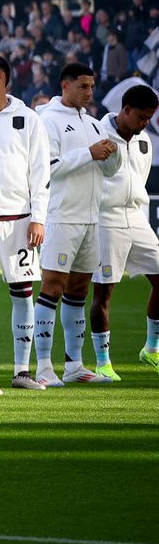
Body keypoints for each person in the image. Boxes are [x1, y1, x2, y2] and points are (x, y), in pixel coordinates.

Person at [34, 64, 120, 386]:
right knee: (53, 287)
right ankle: (44, 366)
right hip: (61, 216)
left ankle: (74, 364)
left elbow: (108, 171)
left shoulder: (95, 125)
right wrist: (89, 153)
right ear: (65, 85)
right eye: (83, 86)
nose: (89, 92)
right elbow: (46, 168)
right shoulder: (47, 120)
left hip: (90, 218)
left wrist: (112, 154)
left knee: (79, 291)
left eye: (92, 86)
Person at [0, 54, 51, 390]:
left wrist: (39, 218)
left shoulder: (28, 118)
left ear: (0, 78)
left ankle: (21, 371)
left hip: (19, 220)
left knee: (23, 293)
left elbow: (41, 173)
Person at [87, 84, 158, 380]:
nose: (146, 124)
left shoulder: (144, 141)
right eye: (142, 117)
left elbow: (138, 180)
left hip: (137, 217)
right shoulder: (97, 132)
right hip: (107, 219)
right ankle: (103, 363)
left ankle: (151, 349)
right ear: (125, 110)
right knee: (104, 292)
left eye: (150, 118)